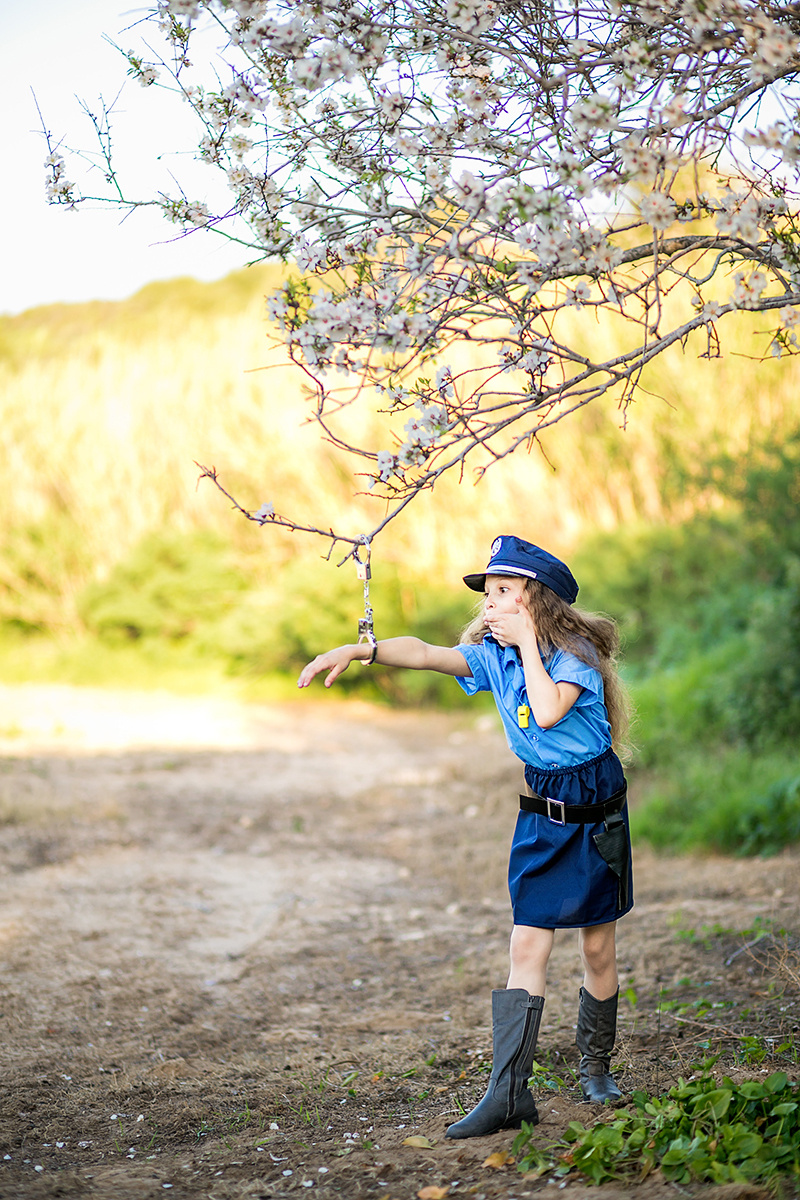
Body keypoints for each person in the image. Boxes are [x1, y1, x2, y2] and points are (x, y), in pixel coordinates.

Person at [297, 534, 633, 1139]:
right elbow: (425, 653)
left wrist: (529, 642)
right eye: (489, 594)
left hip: (594, 803)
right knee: (527, 945)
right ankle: (509, 1095)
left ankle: (596, 1067)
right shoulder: (493, 655)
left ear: (539, 601)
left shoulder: (571, 652)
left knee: (596, 949)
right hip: (541, 806)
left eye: (505, 593)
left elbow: (550, 709)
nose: (490, 605)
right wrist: (361, 648)